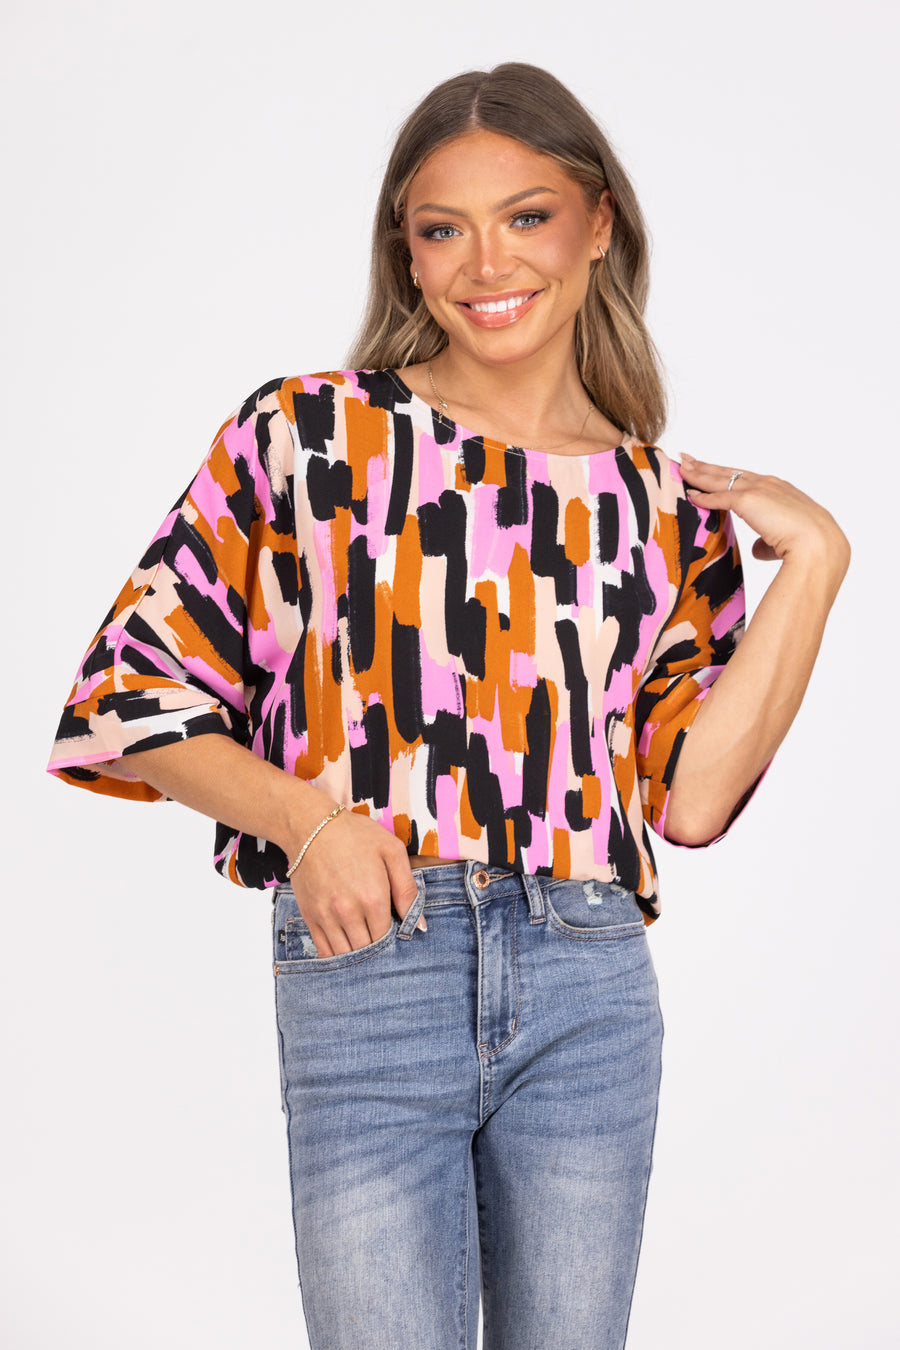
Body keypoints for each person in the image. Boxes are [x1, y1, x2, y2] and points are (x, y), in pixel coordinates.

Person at [47, 62, 849, 1350]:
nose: (487, 263)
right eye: (443, 228)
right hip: (376, 960)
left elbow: (693, 798)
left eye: (527, 216)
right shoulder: (313, 436)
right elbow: (128, 692)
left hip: (589, 974)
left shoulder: (662, 506)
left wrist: (818, 559)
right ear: (407, 255)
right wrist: (308, 824)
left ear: (599, 223)